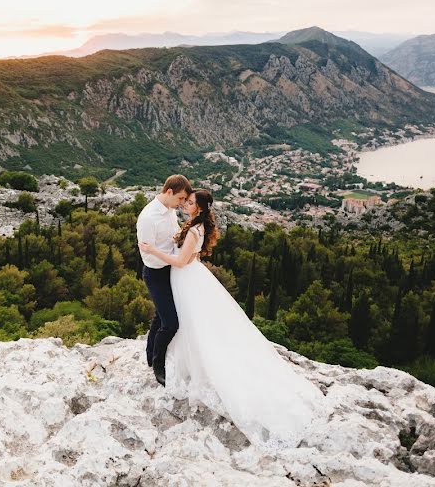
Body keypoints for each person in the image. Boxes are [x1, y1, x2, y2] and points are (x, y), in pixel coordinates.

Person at [140, 189, 327, 450]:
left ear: (200, 209)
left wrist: (152, 251)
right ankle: (163, 357)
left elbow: (181, 261)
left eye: (190, 202)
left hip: (185, 276)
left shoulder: (194, 230)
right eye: (185, 200)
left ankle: (181, 363)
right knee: (177, 320)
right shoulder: (194, 224)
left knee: (188, 323)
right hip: (189, 279)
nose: (185, 204)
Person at [136, 174, 193, 386]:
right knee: (171, 323)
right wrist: (175, 258)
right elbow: (147, 254)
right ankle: (158, 366)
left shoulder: (169, 211)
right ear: (169, 192)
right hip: (155, 273)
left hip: (170, 269)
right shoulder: (149, 217)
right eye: (180, 199)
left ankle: (150, 354)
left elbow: (173, 237)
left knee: (160, 316)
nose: (181, 204)